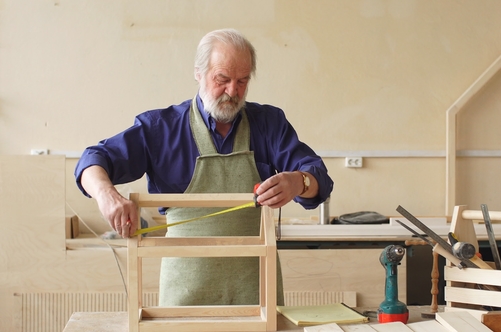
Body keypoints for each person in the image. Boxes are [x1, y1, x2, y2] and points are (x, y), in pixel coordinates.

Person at [74, 28, 333, 306]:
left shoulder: (268, 123)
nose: (233, 91)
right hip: (185, 294)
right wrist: (107, 196)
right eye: (222, 79)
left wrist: (299, 182)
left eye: (243, 81)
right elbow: (92, 160)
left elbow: (319, 179)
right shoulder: (162, 129)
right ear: (199, 73)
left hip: (258, 294)